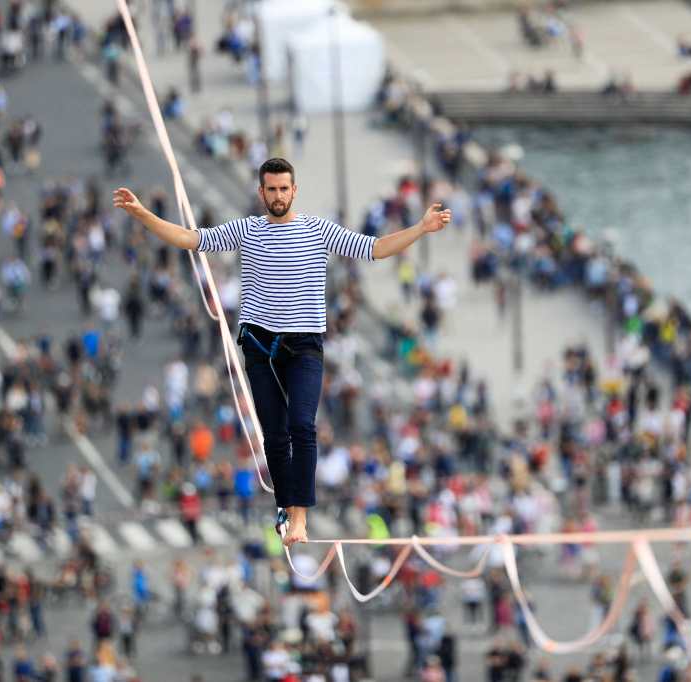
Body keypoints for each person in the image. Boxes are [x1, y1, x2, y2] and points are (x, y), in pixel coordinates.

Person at [113, 158, 452, 544]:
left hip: (305, 345)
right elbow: (190, 239)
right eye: (271, 189)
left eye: (283, 189)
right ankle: (286, 506)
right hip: (261, 346)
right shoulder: (247, 230)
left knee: (302, 426)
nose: (278, 195)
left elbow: (374, 248)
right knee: (274, 435)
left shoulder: (317, 231)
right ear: (262, 192)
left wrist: (422, 229)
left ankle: (300, 519)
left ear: (294, 191)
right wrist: (142, 214)